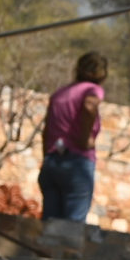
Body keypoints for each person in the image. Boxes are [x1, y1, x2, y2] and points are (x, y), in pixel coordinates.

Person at [36, 52, 107, 222]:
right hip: (77, 164)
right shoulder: (92, 90)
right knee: (72, 227)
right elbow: (90, 106)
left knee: (50, 226)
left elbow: (46, 131)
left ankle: (47, 250)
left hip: (52, 163)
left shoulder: (60, 94)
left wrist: (48, 156)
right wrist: (84, 139)